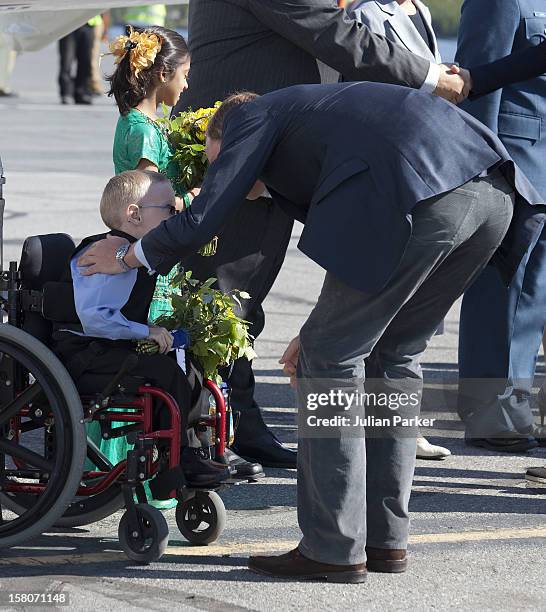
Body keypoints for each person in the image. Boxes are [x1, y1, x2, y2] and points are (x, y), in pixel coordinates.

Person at [77, 82, 544, 582]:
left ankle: (332, 546)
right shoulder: (311, 123)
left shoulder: (249, 120)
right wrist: (322, 327)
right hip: (491, 197)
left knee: (330, 360)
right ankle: (385, 539)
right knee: (395, 354)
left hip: (420, 196)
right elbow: (356, 242)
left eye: (220, 160)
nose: (224, 172)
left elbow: (207, 213)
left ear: (226, 134)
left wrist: (127, 255)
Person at [170, 0, 471, 470]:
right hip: (236, 140)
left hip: (266, 141)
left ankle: (235, 423)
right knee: (222, 292)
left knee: (241, 296)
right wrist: (430, 78)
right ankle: (198, 436)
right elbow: (330, 30)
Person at [107, 25, 262, 479]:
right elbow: (147, 197)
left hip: (167, 252)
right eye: (185, 74)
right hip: (151, 250)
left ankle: (197, 443)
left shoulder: (154, 125)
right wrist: (200, 195)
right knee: (169, 346)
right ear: (162, 73)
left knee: (184, 346)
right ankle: (182, 450)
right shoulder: (140, 129)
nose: (188, 85)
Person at [52, 170, 232, 488]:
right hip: (84, 353)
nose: (173, 215)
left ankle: (190, 451)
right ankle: (175, 460)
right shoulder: (103, 256)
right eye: (167, 210)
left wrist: (151, 330)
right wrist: (145, 331)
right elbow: (95, 319)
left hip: (108, 347)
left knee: (188, 367)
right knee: (168, 372)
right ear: (133, 215)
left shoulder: (129, 252)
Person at [349, 0, 451, 461]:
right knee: (382, 307)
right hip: (394, 164)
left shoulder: (422, 11)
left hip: (427, 158)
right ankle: (380, 427)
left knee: (411, 316)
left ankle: (398, 427)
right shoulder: (366, 13)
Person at [455, 0, 546, 453]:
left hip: (545, 163)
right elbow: (478, 81)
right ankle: (491, 416)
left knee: (533, 298)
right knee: (501, 291)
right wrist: (485, 169)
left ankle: (518, 410)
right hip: (514, 161)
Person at [58, 22, 94, 105]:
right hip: (68, 25)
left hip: (88, 25)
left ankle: (81, 93)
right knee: (66, 62)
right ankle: (66, 93)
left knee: (86, 61)